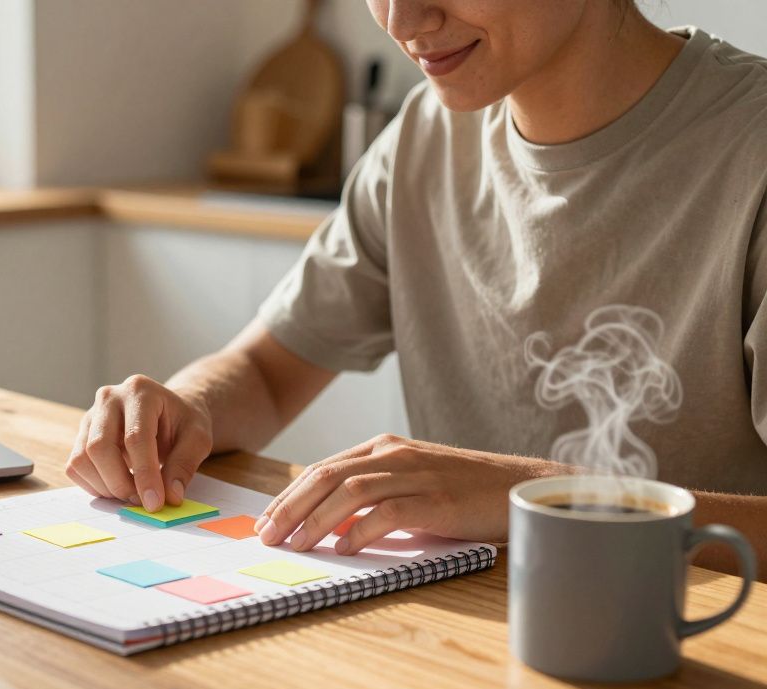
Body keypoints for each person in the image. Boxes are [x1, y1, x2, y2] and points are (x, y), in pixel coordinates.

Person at [65, 0, 767, 578]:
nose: (401, 18)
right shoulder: (423, 139)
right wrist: (184, 407)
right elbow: (267, 373)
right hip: (465, 644)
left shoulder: (750, 149)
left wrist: (543, 502)